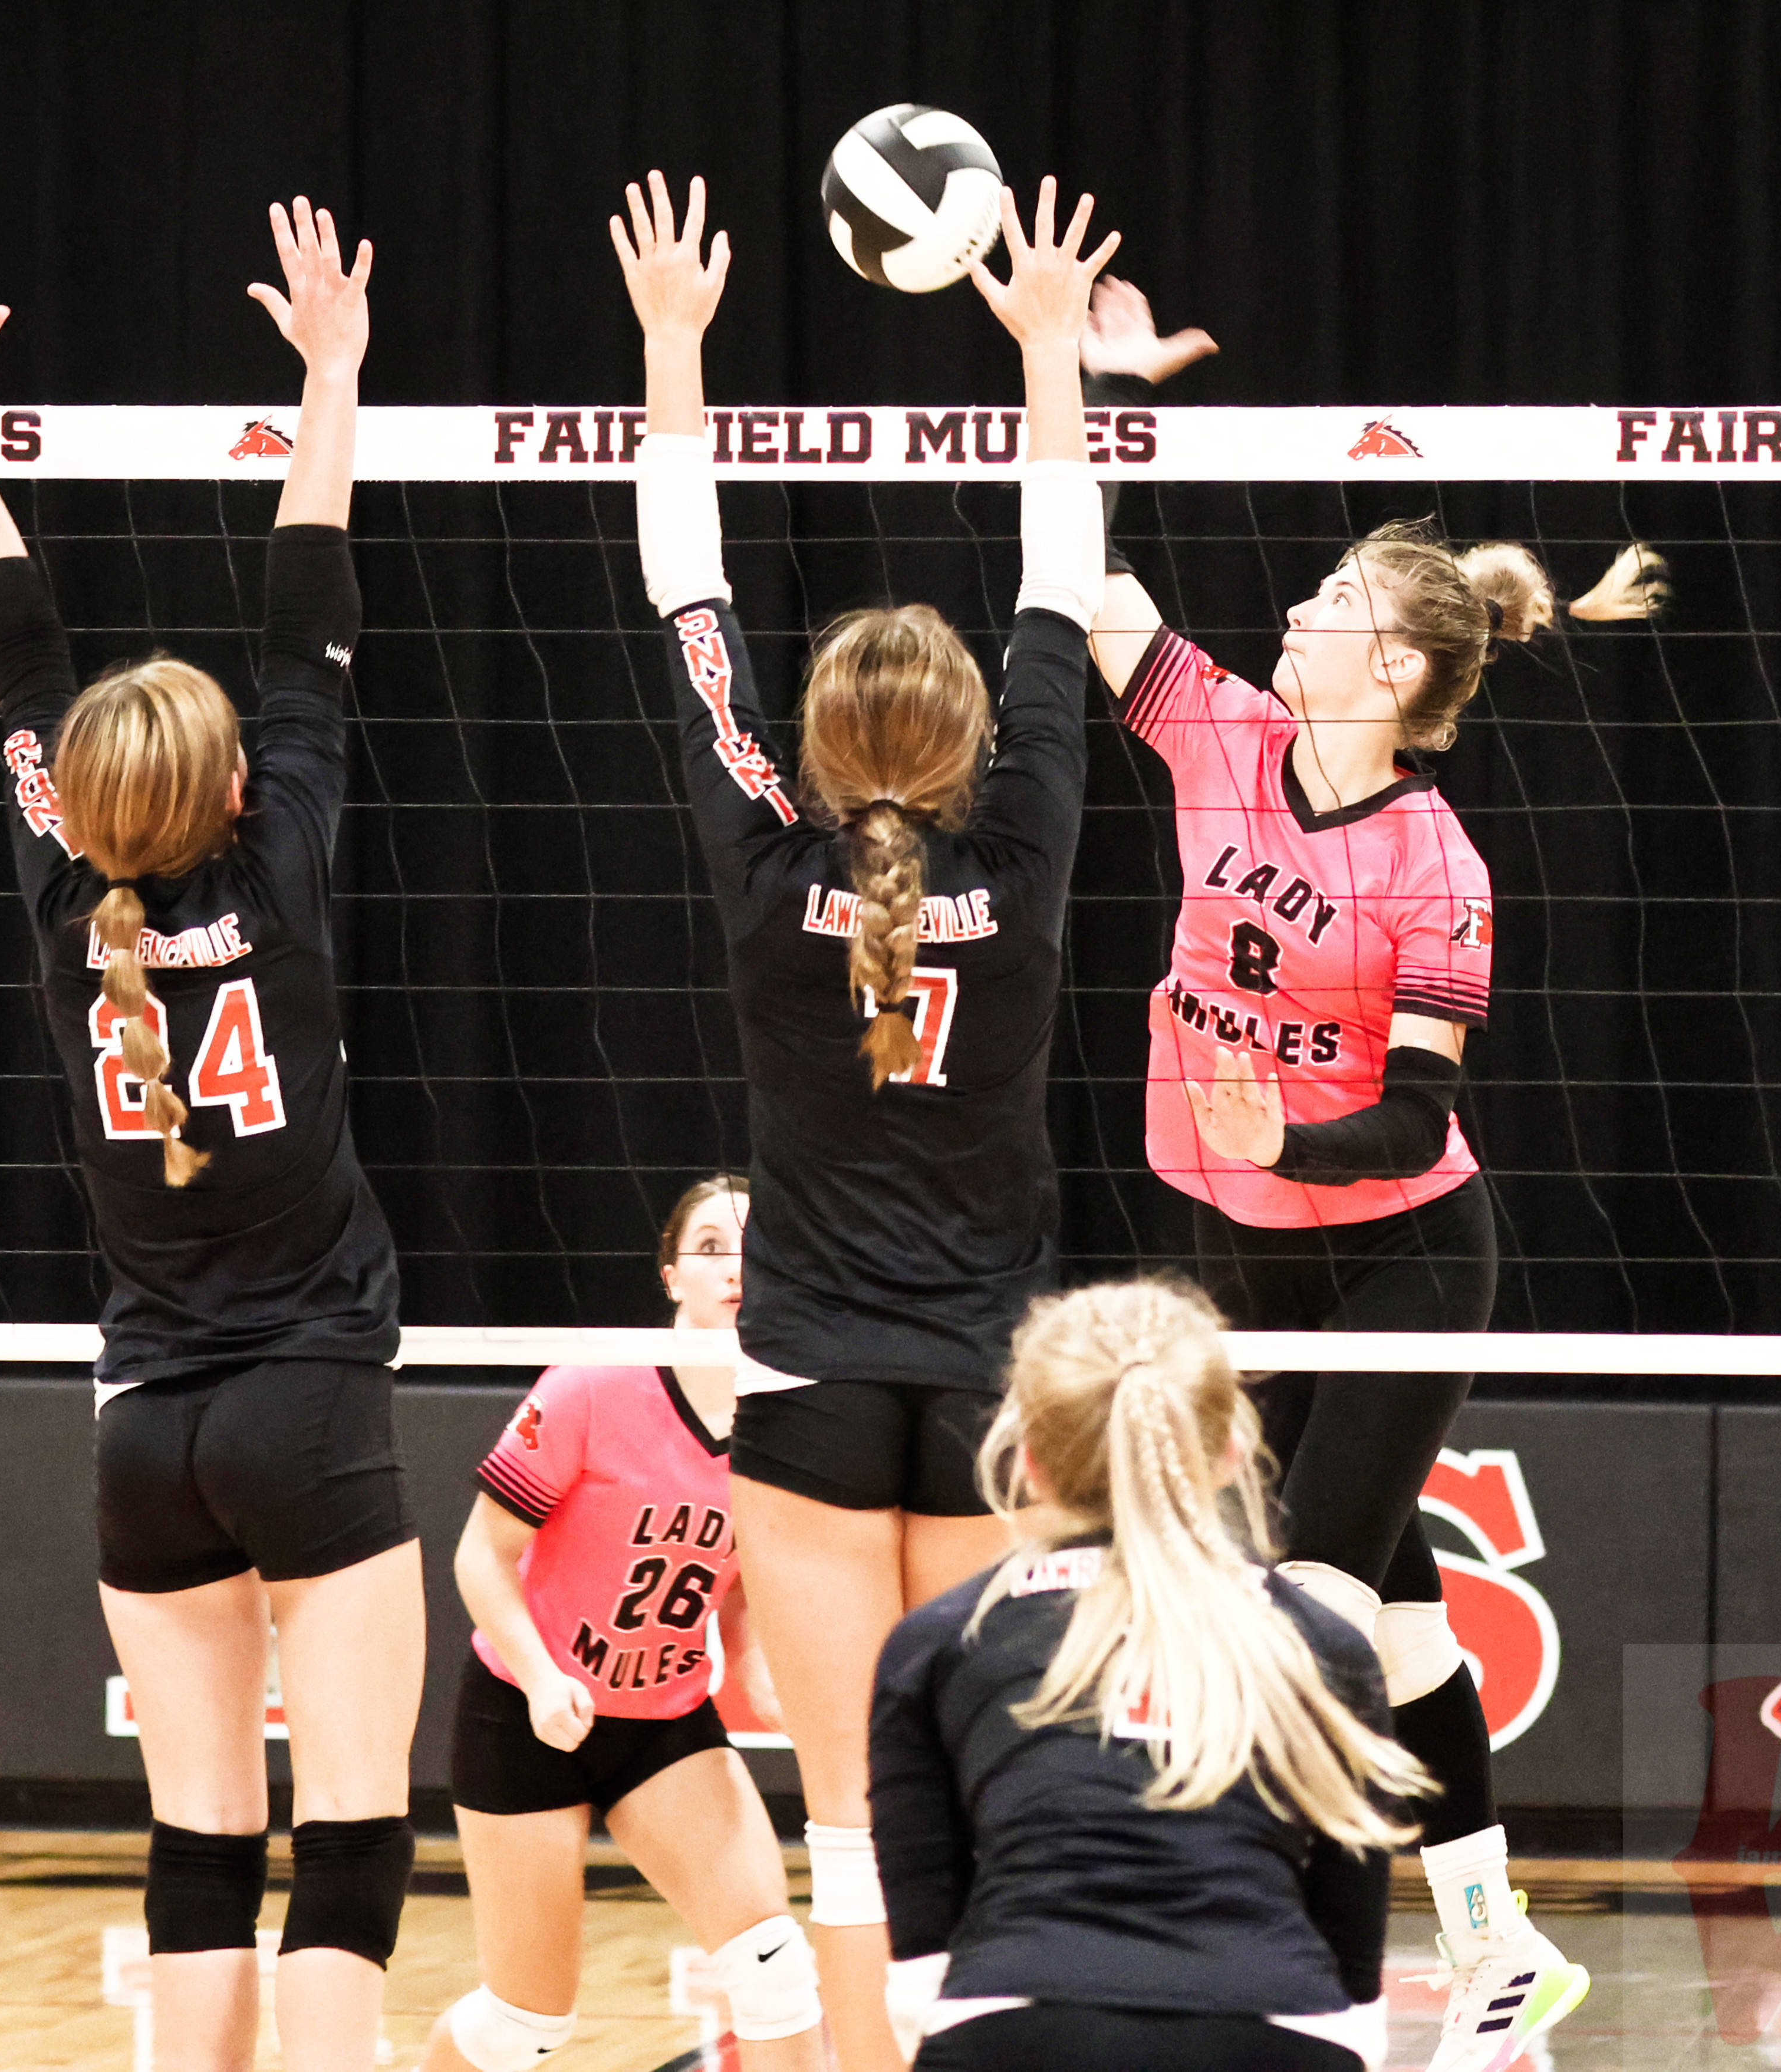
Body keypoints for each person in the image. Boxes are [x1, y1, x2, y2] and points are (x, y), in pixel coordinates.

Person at [0, 200, 417, 2072]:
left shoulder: (59, 895)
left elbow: (16, 655)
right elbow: (309, 597)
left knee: (196, 1843)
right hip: (308, 1400)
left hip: (144, 1426)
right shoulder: (287, 859)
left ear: (74, 809)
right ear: (240, 788)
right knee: (352, 1837)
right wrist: (333, 373)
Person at [1078, 279, 1653, 2070]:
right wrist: (1091, 390)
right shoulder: (1218, 731)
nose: (1292, 613)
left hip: (1401, 1249)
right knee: (1388, 1612)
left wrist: (1287, 1137)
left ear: (1394, 670)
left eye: (1328, 605)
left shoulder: (1437, 864)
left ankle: (1254, 1957)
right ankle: (1495, 1946)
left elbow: (1414, 1121)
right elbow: (1081, 582)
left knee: (1302, 1607)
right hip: (1243, 1242)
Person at [613, 169, 1112, 2070]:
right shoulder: (1032, 841)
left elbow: (689, 602)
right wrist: (1047, 354)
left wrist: (674, 348)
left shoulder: (767, 864)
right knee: (974, 1796)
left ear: (812, 749)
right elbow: (1061, 582)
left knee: (845, 1815)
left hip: (809, 1374)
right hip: (992, 1380)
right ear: (978, 742)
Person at [870, 1279, 1431, 2072]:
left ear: (1029, 1463)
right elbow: (1353, 1968)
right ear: (1232, 1451)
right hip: (1274, 2029)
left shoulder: (937, 1644)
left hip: (1015, 2028)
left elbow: (921, 1972)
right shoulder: (1323, 1646)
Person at [417, 1174, 819, 2072]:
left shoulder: (791, 1417)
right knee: (524, 2027)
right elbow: (480, 1557)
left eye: (756, 1246)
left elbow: (740, 1575)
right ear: (671, 1276)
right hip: (527, 1718)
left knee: (775, 1969)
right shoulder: (595, 1386)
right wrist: (541, 1678)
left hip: (665, 1725)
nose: (736, 1266)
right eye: (712, 1248)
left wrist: (753, 1662)